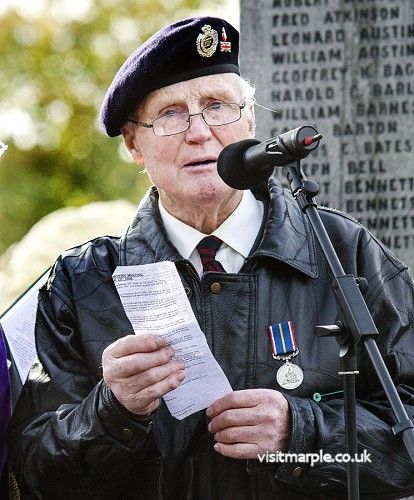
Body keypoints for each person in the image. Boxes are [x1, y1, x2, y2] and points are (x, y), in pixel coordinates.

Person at [6, 16, 414, 499]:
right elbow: (31, 474)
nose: (200, 132)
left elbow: (406, 445)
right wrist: (112, 411)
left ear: (250, 122)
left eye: (217, 105)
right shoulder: (81, 282)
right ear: (134, 145)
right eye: (171, 114)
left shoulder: (346, 252)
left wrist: (300, 435)